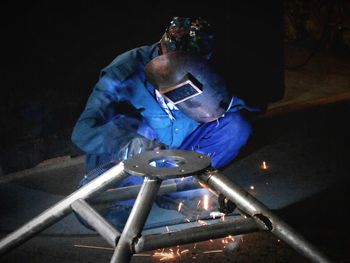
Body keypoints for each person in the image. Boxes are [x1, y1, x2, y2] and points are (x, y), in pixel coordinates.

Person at [71, 17, 258, 231]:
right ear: (162, 48)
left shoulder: (209, 66)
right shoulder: (125, 70)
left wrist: (221, 101)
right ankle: (126, 200)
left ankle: (176, 190)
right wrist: (129, 142)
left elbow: (251, 108)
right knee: (128, 128)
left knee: (236, 127)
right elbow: (83, 131)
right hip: (138, 158)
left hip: (177, 154)